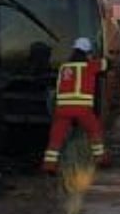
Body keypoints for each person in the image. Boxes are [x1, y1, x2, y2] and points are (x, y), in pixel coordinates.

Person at [41, 37, 110, 174]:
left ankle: (49, 164)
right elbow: (107, 64)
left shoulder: (64, 67)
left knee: (56, 135)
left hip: (63, 108)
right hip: (82, 108)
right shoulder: (90, 66)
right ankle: (101, 158)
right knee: (95, 131)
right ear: (87, 52)